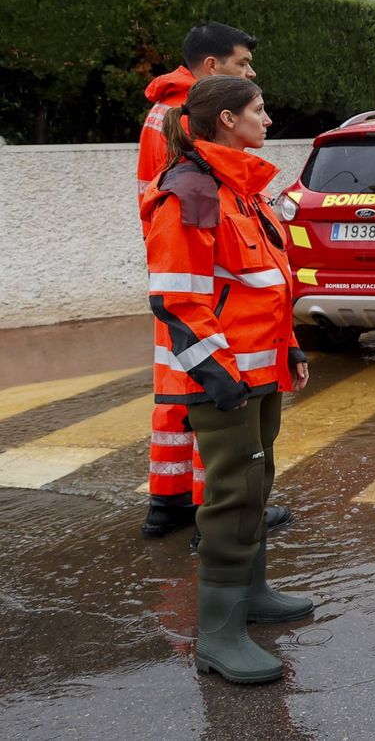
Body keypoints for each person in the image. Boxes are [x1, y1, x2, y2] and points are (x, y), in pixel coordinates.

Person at [140, 75, 312, 684]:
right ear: (226, 121)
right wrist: (220, 376)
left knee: (256, 486)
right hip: (226, 380)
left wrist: (289, 348)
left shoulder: (245, 190)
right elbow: (178, 301)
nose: (268, 121)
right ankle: (217, 634)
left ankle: (254, 595)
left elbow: (268, 285)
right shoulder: (191, 193)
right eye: (258, 111)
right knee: (233, 495)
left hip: (260, 372)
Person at [136, 22, 289, 542]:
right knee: (206, 393)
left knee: (178, 395)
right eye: (243, 64)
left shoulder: (169, 114)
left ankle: (172, 499)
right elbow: (185, 203)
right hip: (193, 282)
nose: (250, 72)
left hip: (185, 277)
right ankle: (215, 511)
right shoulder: (187, 122)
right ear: (212, 70)